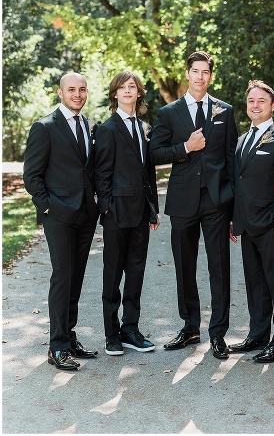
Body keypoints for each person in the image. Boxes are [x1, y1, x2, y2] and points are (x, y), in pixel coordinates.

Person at [149, 51, 238, 360]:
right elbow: (154, 153)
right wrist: (185, 147)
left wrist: (233, 209)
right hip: (183, 201)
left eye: (205, 72)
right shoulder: (169, 113)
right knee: (185, 266)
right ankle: (190, 327)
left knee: (219, 268)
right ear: (187, 74)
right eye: (195, 71)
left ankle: (218, 333)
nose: (200, 77)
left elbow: (232, 161)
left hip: (216, 202)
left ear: (210, 76)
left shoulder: (225, 111)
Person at [23, 72, 100, 370]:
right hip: (58, 214)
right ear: (60, 93)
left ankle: (68, 337)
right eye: (71, 90)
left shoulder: (89, 125)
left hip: (85, 214)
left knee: (76, 276)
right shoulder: (44, 127)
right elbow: (31, 176)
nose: (77, 94)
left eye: (82, 89)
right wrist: (47, 208)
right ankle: (56, 347)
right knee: (62, 275)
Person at [229, 80, 274, 363]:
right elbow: (239, 183)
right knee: (254, 283)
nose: (255, 105)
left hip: (271, 226)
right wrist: (234, 220)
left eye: (261, 101)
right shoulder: (242, 140)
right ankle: (258, 334)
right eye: (251, 101)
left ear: (272, 106)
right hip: (246, 225)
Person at [94, 71, 160, 356]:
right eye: (122, 87)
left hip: (141, 212)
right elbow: (101, 173)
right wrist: (107, 207)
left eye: (132, 86)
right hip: (117, 213)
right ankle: (112, 335)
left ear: (139, 93)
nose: (128, 90)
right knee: (113, 273)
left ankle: (130, 329)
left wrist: (153, 208)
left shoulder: (145, 127)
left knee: (136, 272)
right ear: (115, 94)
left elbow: (149, 172)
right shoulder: (107, 129)